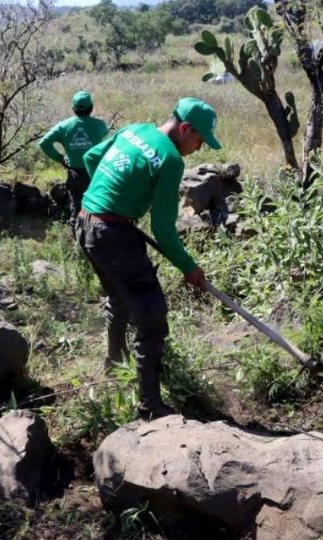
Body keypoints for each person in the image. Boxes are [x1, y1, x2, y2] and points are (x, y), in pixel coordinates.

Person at [76, 97, 221, 421]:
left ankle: (115, 364)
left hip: (85, 222)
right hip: (112, 234)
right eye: (199, 140)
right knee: (151, 314)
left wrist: (111, 196)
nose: (198, 149)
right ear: (185, 129)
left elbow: (90, 157)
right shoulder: (170, 160)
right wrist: (190, 269)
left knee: (119, 296)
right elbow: (163, 231)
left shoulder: (133, 129)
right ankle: (151, 407)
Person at [37, 90, 109, 222]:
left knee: (76, 209)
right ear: (91, 108)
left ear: (73, 109)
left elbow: (44, 143)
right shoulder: (100, 125)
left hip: (75, 174)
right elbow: (105, 134)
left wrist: (60, 158)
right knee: (98, 208)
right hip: (96, 174)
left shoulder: (63, 126)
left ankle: (78, 236)